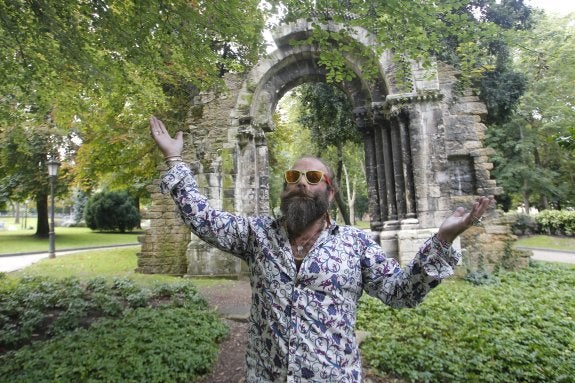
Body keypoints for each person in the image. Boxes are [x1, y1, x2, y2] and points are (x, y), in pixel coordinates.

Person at [149, 116, 493, 382]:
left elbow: (402, 292)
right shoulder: (258, 235)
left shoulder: (355, 245)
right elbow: (204, 220)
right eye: (293, 176)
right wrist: (175, 159)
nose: (301, 182)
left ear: (330, 195)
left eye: (313, 179)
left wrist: (443, 240)